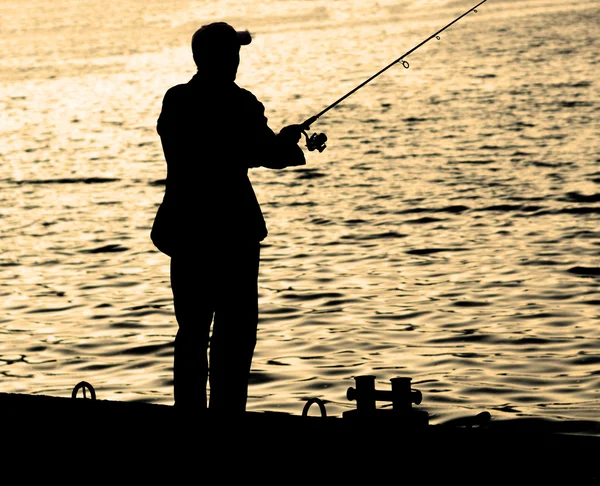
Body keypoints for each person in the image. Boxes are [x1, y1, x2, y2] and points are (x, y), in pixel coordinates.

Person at [151, 22, 306, 413]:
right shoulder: (240, 103)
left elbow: (229, 148)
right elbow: (264, 153)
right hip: (232, 233)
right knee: (234, 334)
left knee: (191, 332)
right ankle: (228, 415)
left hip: (185, 232)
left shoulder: (176, 101)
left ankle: (188, 413)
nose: (237, 60)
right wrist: (287, 142)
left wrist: (269, 145)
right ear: (224, 57)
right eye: (233, 53)